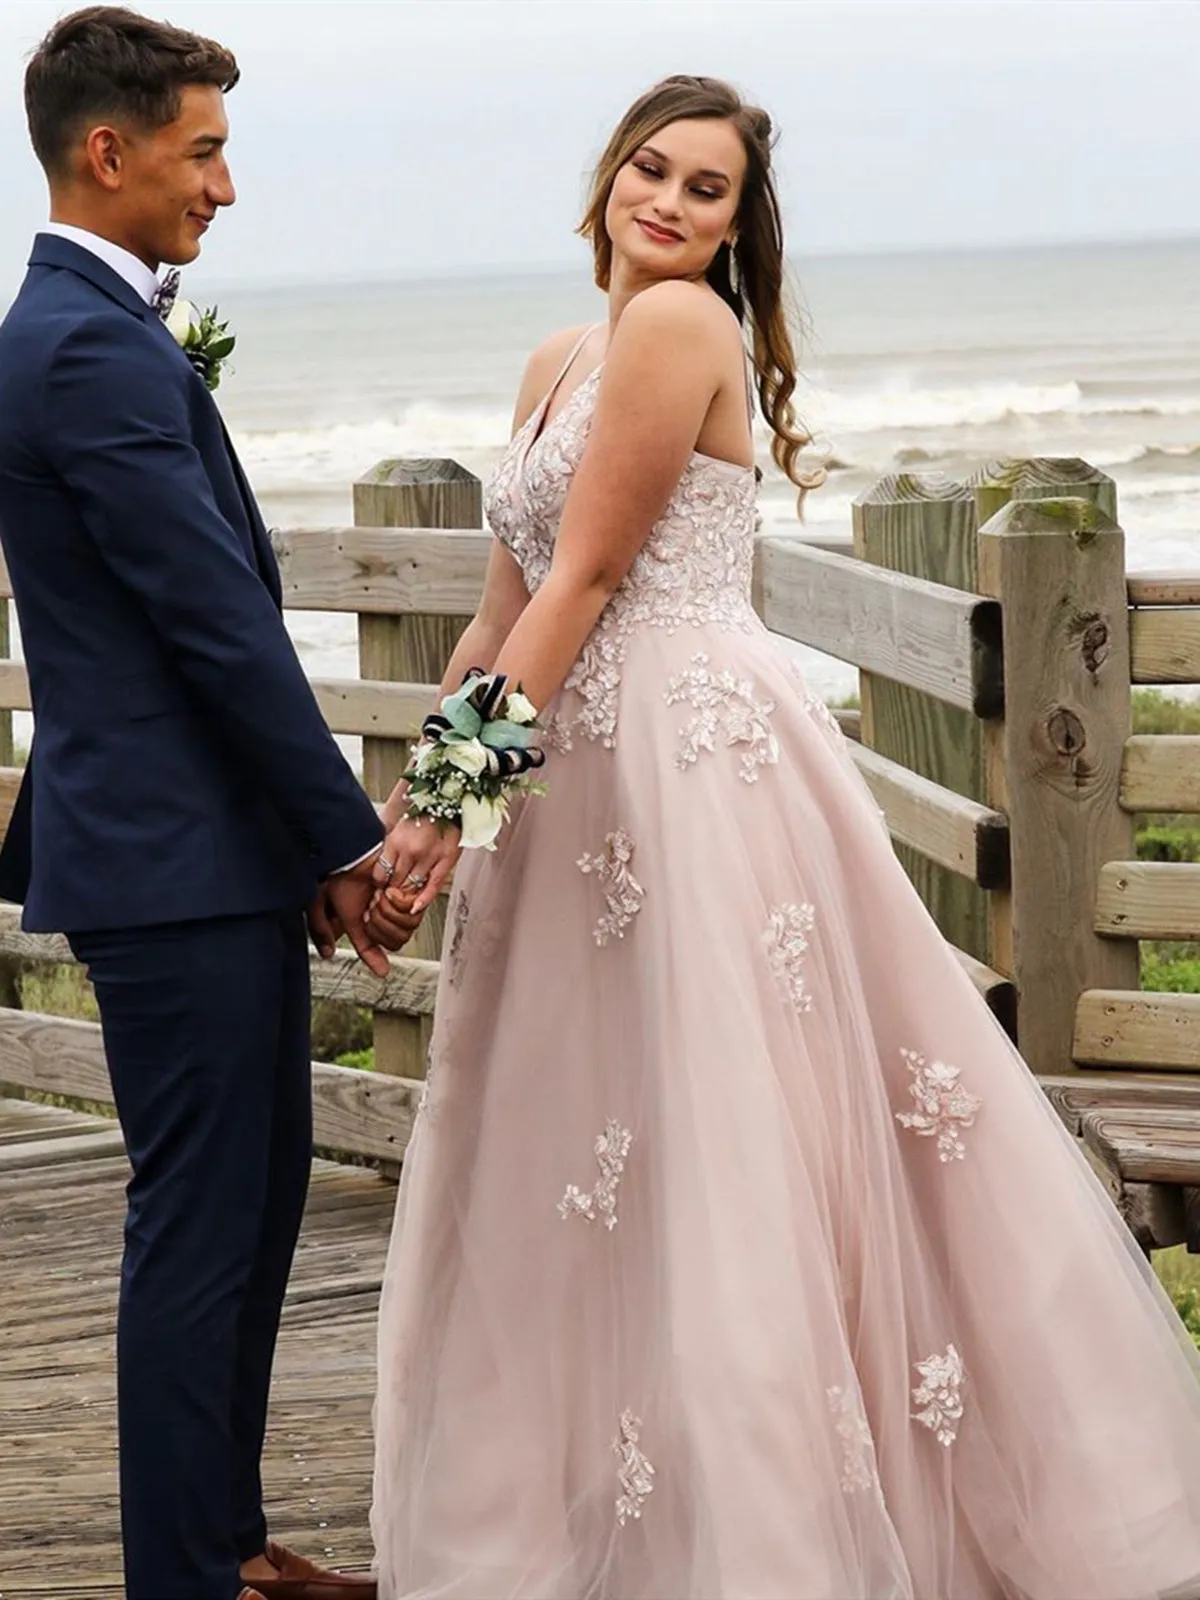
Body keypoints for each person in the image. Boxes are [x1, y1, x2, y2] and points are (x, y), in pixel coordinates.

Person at [367, 74, 1200, 1600]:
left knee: (725, 1129)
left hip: (689, 770)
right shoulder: (561, 355)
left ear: (738, 228)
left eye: (709, 191)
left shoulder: (684, 328)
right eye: (653, 169)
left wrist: (452, 804)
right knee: (596, 1130)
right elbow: (499, 605)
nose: (671, 205)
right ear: (608, 171)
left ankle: (765, 1528)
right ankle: (608, 1494)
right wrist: (414, 805)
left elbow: (592, 578)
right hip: (578, 771)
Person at [0, 9, 417, 1598]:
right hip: (172, 874)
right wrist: (344, 842)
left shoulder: (86, 331)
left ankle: (227, 1548)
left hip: (200, 856)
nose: (224, 188)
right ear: (107, 153)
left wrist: (293, 853)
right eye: (205, 151)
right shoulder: (85, 346)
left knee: (245, 1220)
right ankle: (187, 1573)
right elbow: (214, 624)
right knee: (199, 1233)